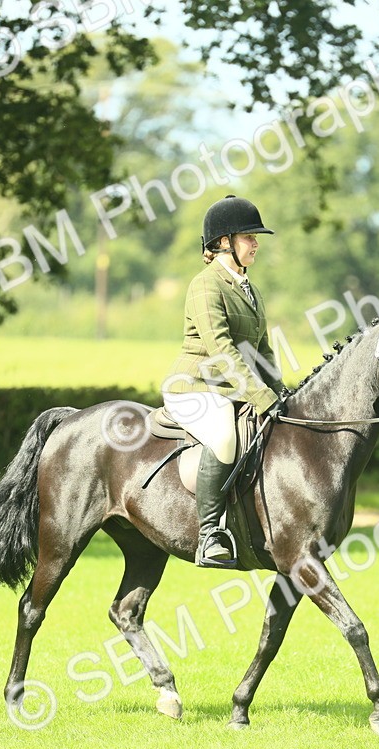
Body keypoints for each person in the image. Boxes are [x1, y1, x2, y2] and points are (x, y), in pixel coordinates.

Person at [162, 195, 288, 568]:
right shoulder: (205, 286)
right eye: (248, 236)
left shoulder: (249, 288)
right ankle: (209, 535)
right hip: (195, 387)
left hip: (231, 389)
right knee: (223, 433)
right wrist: (260, 395)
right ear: (222, 242)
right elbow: (222, 350)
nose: (256, 243)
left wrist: (281, 392)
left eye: (255, 237)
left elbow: (261, 351)